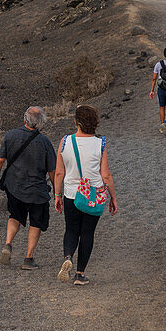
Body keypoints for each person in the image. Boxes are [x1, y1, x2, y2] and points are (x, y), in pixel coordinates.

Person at [54, 105, 118, 286]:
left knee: (71, 229)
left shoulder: (65, 141)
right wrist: (113, 197)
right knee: (87, 233)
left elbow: (59, 172)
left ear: (76, 121)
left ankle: (68, 256)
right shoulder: (101, 143)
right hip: (93, 195)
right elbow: (106, 175)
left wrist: (57, 195)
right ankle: (80, 274)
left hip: (71, 194)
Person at [0, 106, 57, 270]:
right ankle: (28, 258)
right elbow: (53, 171)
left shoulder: (10, 135)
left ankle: (8, 243)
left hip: (14, 187)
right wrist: (57, 191)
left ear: (25, 119)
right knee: (36, 222)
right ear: (40, 123)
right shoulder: (45, 142)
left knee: (15, 216)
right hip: (36, 191)